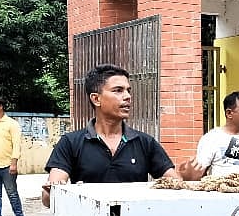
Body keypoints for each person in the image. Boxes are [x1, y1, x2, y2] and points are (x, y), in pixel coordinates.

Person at [41, 64, 181, 207]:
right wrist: (52, 191)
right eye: (118, 91)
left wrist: (187, 179)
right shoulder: (70, 143)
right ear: (96, 99)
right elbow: (49, 198)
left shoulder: (145, 142)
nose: (127, 97)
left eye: (128, 90)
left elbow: (176, 184)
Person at [178, 90, 239, 180]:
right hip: (220, 190)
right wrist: (188, 174)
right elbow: (198, 173)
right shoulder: (211, 138)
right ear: (229, 113)